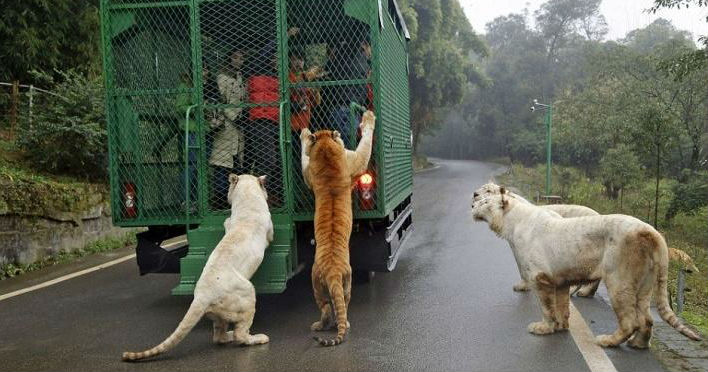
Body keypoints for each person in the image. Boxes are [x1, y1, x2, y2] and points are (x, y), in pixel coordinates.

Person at [208, 49, 246, 210]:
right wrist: (233, 116)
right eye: (235, 57)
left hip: (238, 127)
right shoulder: (222, 78)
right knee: (222, 163)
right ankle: (219, 199)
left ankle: (233, 200)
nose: (238, 61)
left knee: (235, 162)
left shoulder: (240, 78)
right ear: (229, 59)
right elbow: (219, 101)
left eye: (241, 58)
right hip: (226, 126)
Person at [322, 38, 371, 148]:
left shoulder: (338, 61)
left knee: (341, 143)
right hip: (347, 107)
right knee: (346, 144)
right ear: (364, 45)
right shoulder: (356, 58)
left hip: (339, 106)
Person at [176, 72, 198, 211]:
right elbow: (180, 107)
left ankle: (196, 200)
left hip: (204, 130)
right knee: (190, 165)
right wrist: (196, 109)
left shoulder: (204, 86)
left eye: (206, 70)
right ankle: (185, 200)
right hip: (190, 130)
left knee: (198, 168)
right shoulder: (185, 86)